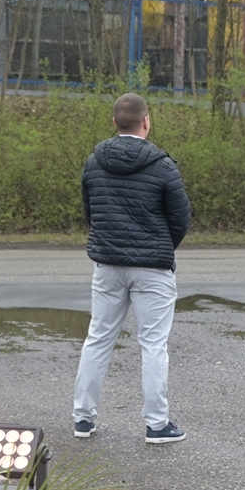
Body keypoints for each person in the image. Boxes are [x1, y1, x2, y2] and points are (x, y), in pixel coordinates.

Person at [72, 92, 192, 444]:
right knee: (153, 344)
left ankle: (83, 418)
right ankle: (157, 424)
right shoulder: (163, 165)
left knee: (98, 339)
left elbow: (90, 211)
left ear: (114, 123)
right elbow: (180, 218)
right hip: (153, 267)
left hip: (108, 264)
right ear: (146, 122)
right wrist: (160, 245)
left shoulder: (94, 162)